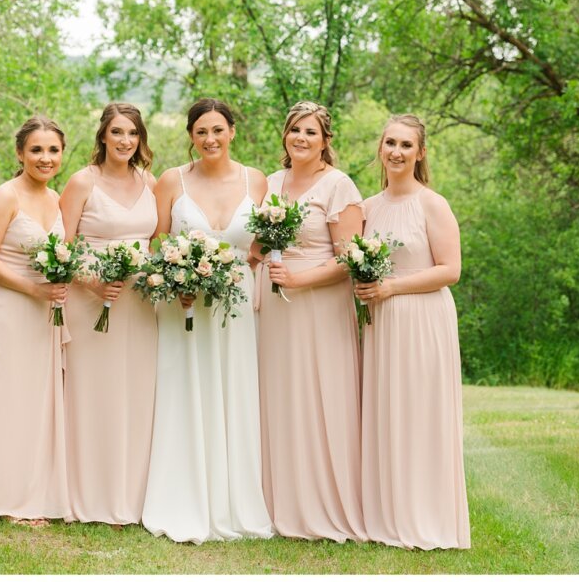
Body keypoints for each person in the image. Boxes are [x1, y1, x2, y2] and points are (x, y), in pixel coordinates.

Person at [141, 97, 273, 544]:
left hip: (235, 302)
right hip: (185, 305)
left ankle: (234, 502)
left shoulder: (257, 181)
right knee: (186, 390)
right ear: (190, 137)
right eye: (201, 132)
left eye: (218, 130)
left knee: (233, 391)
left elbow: (265, 242)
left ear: (232, 131)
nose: (210, 139)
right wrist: (175, 278)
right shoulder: (171, 181)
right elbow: (154, 242)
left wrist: (256, 259)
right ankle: (183, 497)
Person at [354, 113, 471, 550]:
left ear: (420, 153)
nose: (396, 152)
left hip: (423, 320)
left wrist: (392, 288)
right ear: (379, 148)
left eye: (406, 145)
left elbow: (451, 270)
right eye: (390, 143)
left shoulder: (432, 204)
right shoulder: (366, 207)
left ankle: (428, 517)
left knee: (422, 414)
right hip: (382, 325)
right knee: (387, 413)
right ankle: (387, 514)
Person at [256, 101, 366, 542]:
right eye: (295, 130)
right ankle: (274, 500)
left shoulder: (338, 186)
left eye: (311, 132)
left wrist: (300, 280)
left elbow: (350, 259)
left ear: (325, 141)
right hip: (274, 303)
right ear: (285, 135)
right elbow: (257, 244)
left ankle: (323, 503)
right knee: (278, 395)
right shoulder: (270, 182)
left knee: (320, 395)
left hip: (318, 303)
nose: (301, 138)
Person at [0, 115, 71, 525]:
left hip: (46, 313)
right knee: (5, 400)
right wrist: (34, 289)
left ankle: (37, 492)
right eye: (37, 150)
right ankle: (2, 497)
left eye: (53, 150)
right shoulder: (6, 196)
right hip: (9, 309)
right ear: (20, 153)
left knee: (38, 401)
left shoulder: (58, 200)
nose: (45, 158)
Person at [59, 103, 159, 526]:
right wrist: (92, 282)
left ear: (141, 139)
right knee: (94, 393)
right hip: (91, 301)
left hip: (139, 305)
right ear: (102, 135)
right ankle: (88, 493)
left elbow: (155, 243)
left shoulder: (150, 181)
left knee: (137, 395)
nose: (125, 141)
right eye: (117, 132)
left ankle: (133, 496)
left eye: (132, 133)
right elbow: (59, 251)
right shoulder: (83, 182)